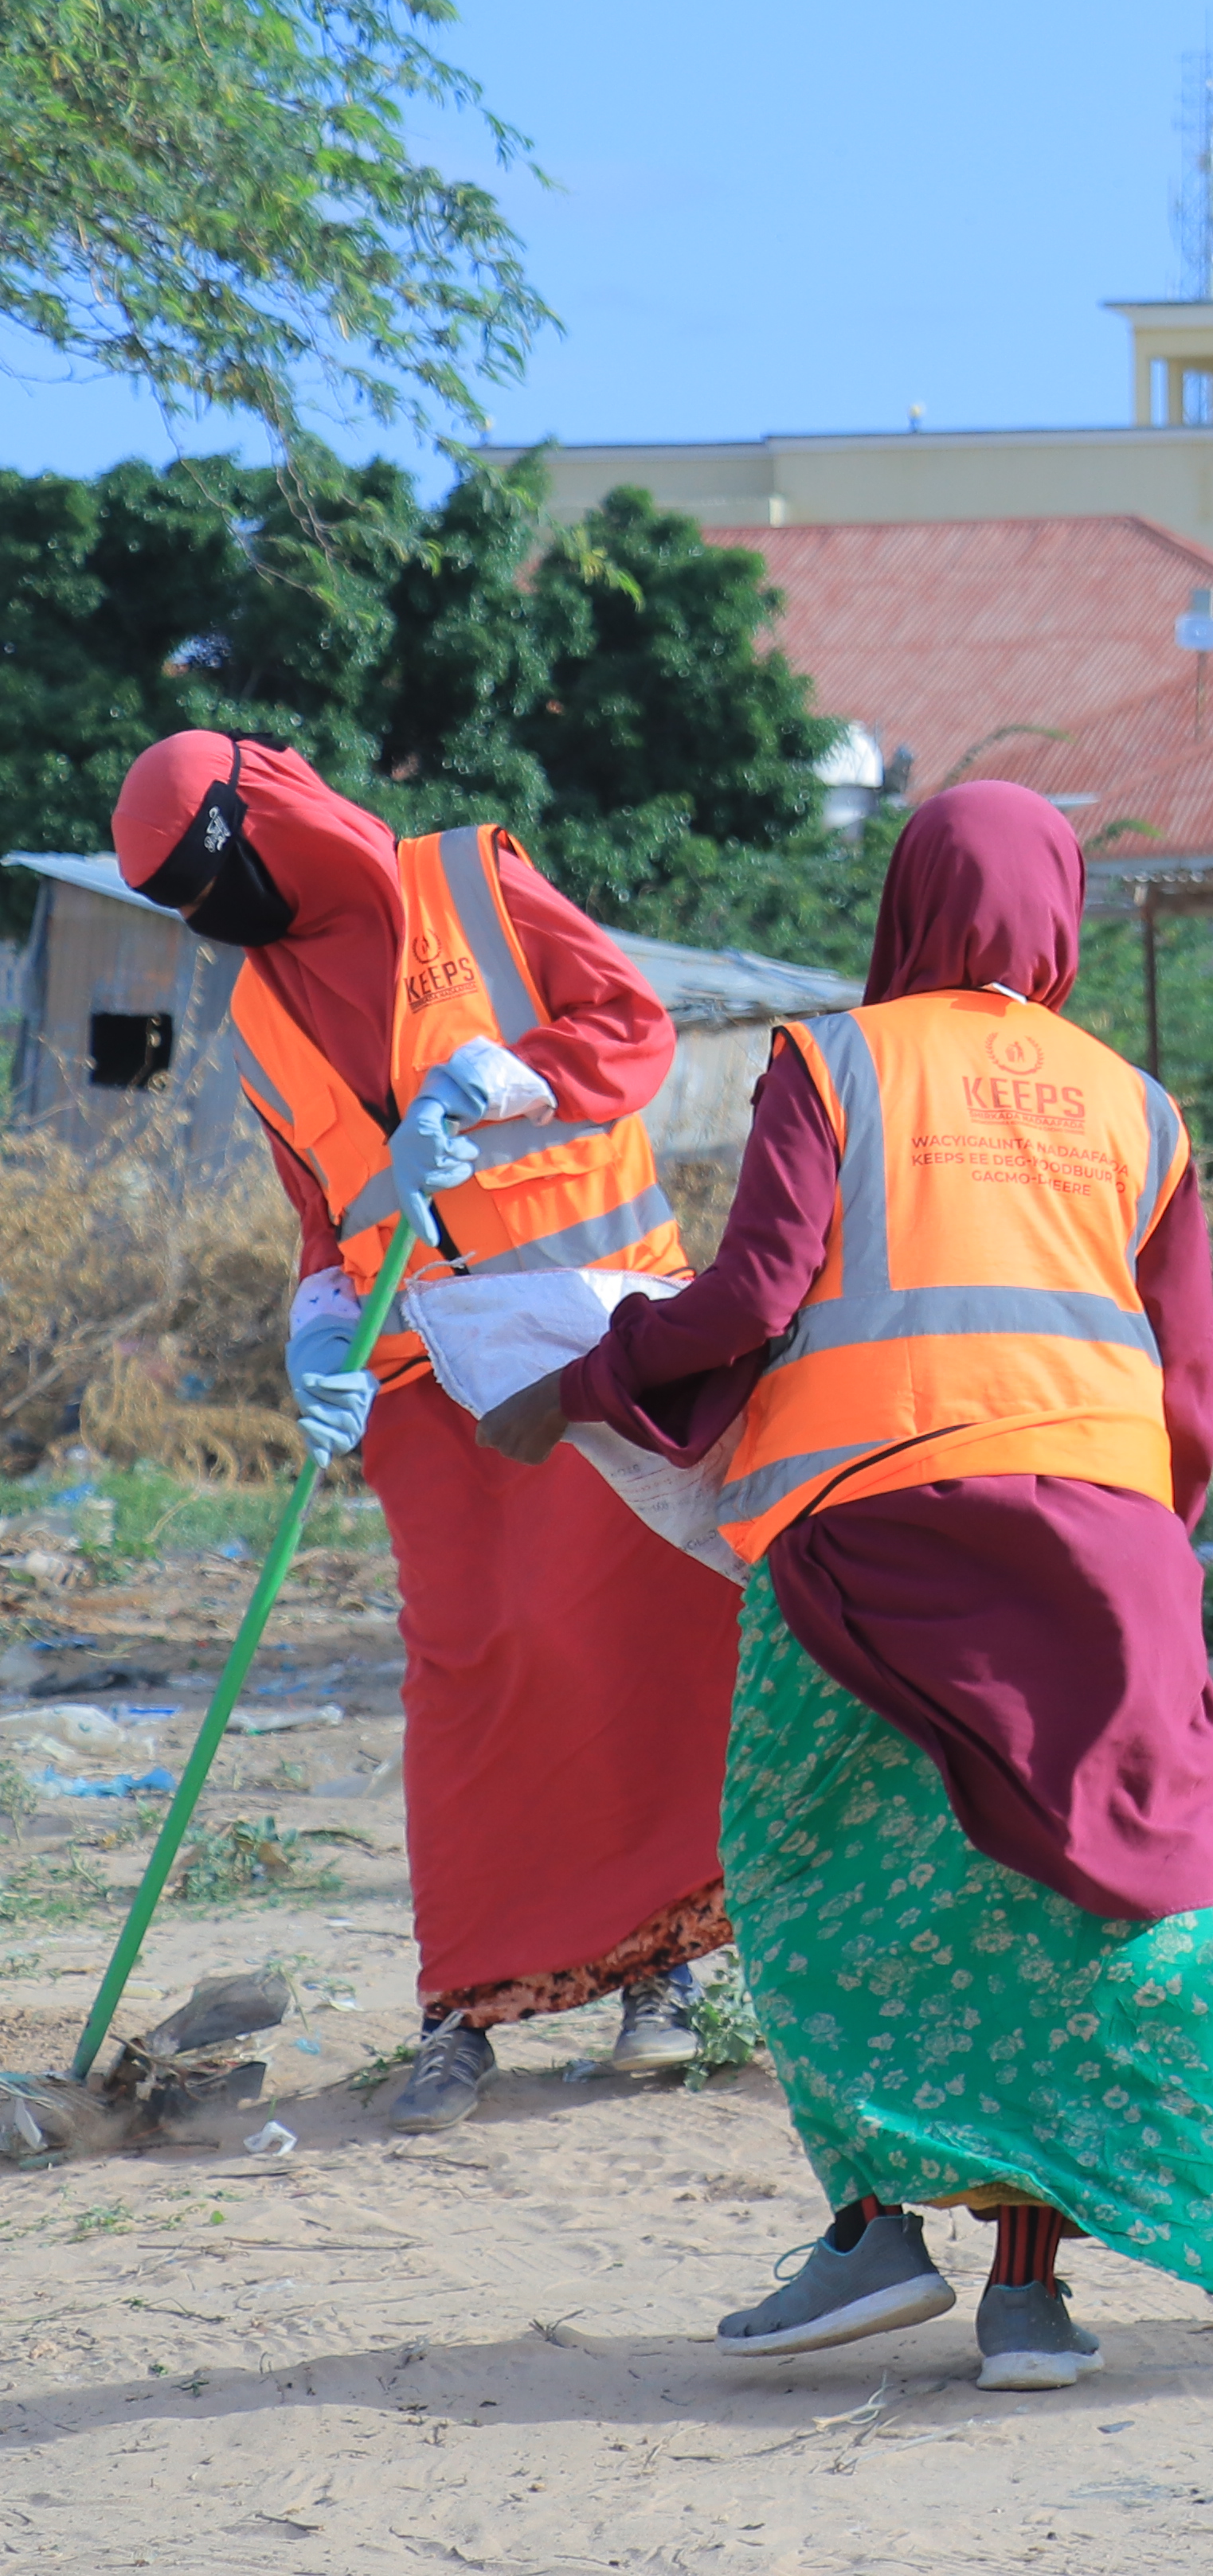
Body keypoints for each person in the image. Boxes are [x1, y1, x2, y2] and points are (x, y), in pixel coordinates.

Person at [484, 783, 1213, 2388]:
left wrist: (579, 1380)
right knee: (1053, 1912)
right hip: (1100, 1557)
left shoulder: (835, 1057)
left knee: (795, 1865)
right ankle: (1032, 2299)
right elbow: (1194, 1384)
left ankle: (869, 2227)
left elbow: (754, 1292)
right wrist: (1136, 1551)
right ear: (1058, 912)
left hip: (871, 1536)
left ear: (908, 898)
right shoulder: (1141, 1107)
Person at [109, 734, 734, 2134]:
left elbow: (633, 1027)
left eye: (218, 876)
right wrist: (316, 1342)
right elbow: (325, 1229)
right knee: (473, 1669)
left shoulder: (474, 881)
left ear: (265, 810)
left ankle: (667, 1977)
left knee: (650, 1642)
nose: (220, 918)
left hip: (596, 1340)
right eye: (187, 905)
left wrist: (500, 1079)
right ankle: (464, 2007)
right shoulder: (260, 1021)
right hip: (427, 1383)